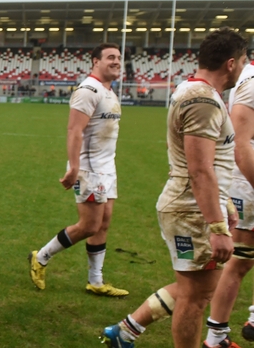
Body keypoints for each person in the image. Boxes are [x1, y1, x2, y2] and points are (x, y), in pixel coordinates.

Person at [101, 28, 246, 348]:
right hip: (191, 210)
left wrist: (227, 205)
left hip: (193, 206)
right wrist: (217, 225)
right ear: (232, 63)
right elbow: (199, 169)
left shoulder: (196, 92)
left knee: (196, 288)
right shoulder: (203, 100)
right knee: (195, 299)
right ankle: (127, 332)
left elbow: (210, 165)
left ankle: (125, 331)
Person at [29, 43, 127, 297]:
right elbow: (74, 130)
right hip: (89, 169)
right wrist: (74, 167)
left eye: (118, 57)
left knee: (104, 223)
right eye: (110, 57)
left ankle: (96, 280)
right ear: (96, 61)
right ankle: (41, 256)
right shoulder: (88, 90)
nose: (116, 61)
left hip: (107, 168)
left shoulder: (109, 91)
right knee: (89, 225)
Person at [200, 55, 254, 347]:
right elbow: (242, 144)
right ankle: (215, 336)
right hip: (248, 183)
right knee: (240, 260)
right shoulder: (252, 83)